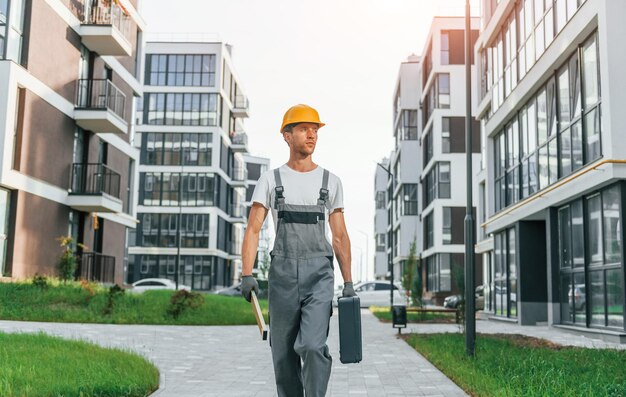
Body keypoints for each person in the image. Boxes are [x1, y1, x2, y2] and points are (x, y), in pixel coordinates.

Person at [240, 104, 356, 397]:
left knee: (313, 346)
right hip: (282, 276)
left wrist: (349, 282)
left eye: (315, 130)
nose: (312, 135)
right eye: (304, 129)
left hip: (319, 274)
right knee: (282, 356)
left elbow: (339, 236)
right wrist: (247, 273)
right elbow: (253, 229)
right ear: (287, 136)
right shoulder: (270, 180)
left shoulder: (331, 182)